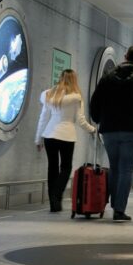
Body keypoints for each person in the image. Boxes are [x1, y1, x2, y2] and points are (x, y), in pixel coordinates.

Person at [89, 45, 133, 222]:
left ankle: (108, 203)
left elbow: (95, 101)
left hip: (109, 129)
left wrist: (97, 119)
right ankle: (119, 209)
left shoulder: (108, 76)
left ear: (125, 55)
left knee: (114, 167)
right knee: (126, 169)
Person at [35, 69, 96, 213]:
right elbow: (80, 120)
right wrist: (92, 129)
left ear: (60, 78)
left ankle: (54, 204)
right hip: (67, 135)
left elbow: (43, 117)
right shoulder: (76, 97)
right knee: (66, 167)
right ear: (74, 79)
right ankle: (57, 194)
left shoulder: (49, 94)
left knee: (52, 168)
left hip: (49, 135)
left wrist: (38, 138)